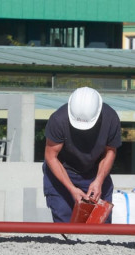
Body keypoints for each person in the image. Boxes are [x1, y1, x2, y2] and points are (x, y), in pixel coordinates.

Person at [43, 87, 122, 223]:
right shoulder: (58, 119)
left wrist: (99, 181)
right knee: (65, 228)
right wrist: (72, 189)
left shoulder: (110, 118)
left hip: (95, 173)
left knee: (100, 228)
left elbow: (110, 151)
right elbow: (51, 156)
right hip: (62, 173)